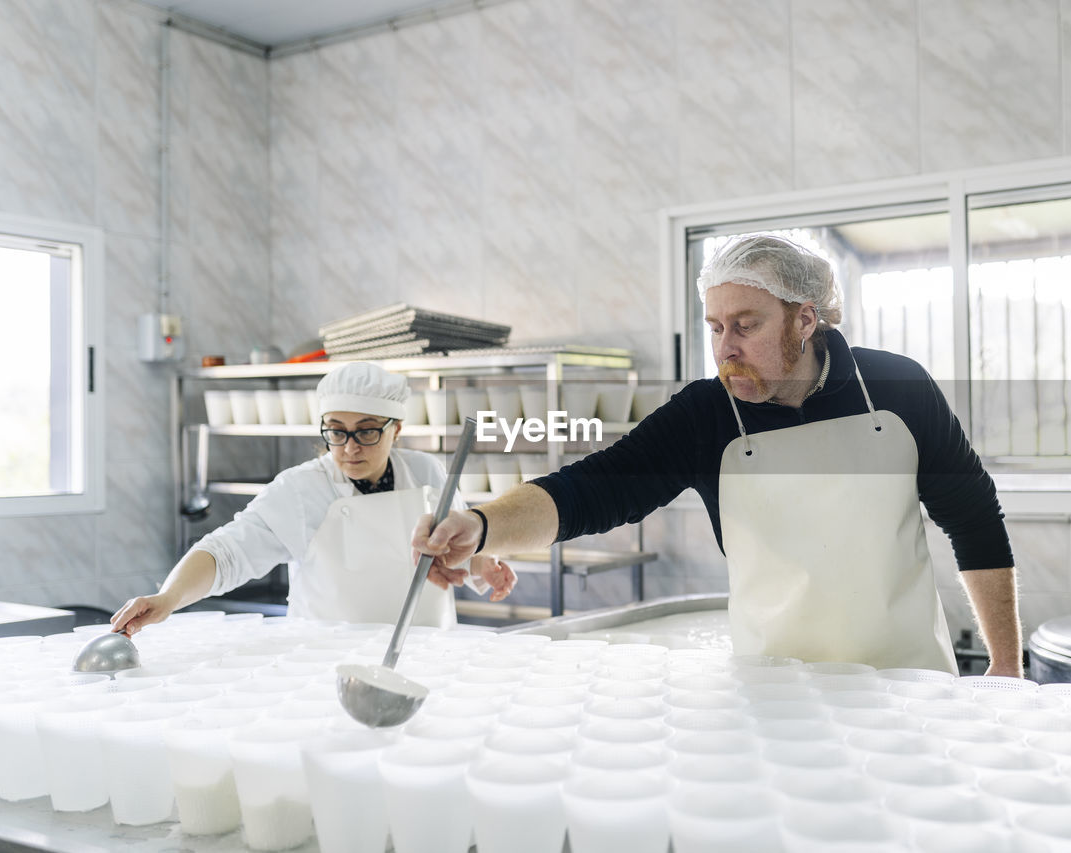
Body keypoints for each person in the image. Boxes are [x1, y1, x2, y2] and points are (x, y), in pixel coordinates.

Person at [414, 235, 1021, 676]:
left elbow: (972, 515)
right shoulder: (706, 413)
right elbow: (592, 489)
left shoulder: (894, 387)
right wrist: (482, 525)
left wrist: (1006, 666)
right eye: (714, 326)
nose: (725, 348)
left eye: (746, 325)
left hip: (906, 679)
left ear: (803, 319)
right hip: (775, 684)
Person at [112, 362, 516, 635]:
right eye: (336, 431)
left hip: (428, 648)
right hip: (328, 661)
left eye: (367, 431)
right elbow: (227, 552)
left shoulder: (427, 472)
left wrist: (484, 563)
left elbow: (458, 545)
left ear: (397, 430)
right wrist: (169, 597)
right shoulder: (301, 490)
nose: (349, 447)